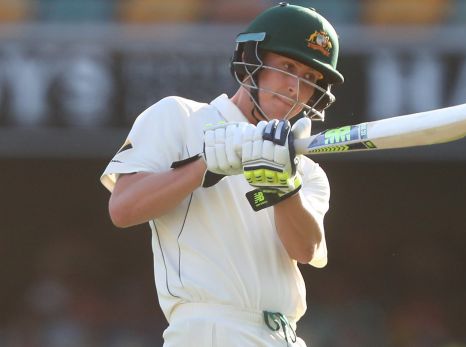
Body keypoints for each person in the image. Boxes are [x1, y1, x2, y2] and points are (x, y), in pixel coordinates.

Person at [100, 3, 344, 346]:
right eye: (287, 67)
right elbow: (123, 208)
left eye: (310, 79)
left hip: (284, 335)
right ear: (251, 63)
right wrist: (204, 166)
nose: (295, 88)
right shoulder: (180, 117)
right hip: (211, 330)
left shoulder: (306, 170)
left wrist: (282, 187)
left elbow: (306, 248)